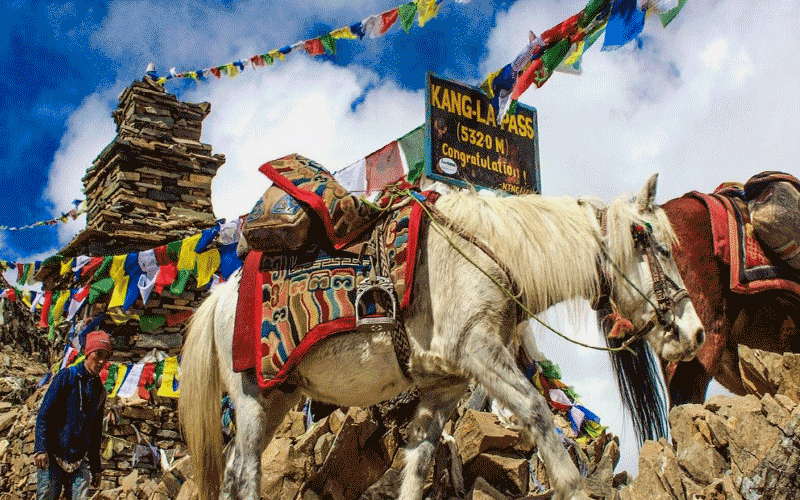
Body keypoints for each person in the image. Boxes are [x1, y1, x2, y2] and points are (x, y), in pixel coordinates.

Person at [34, 330, 111, 500]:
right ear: (87, 353)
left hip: (77, 461)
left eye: (105, 357)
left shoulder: (99, 391)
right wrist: (40, 448)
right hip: (53, 456)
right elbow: (44, 414)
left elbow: (95, 432)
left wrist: (96, 468)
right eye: (98, 355)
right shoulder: (66, 377)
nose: (101, 361)